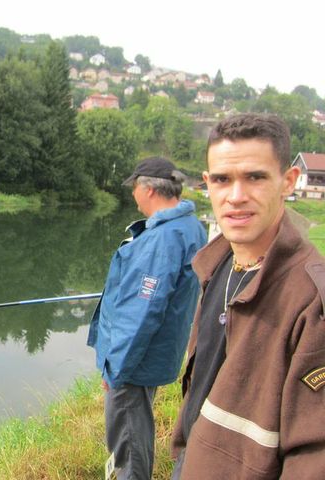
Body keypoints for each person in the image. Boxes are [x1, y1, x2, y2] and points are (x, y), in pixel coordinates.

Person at [171, 113, 325, 479]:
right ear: (207, 183)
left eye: (255, 177)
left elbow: (313, 456)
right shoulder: (216, 263)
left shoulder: (311, 302)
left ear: (288, 181)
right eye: (222, 179)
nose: (236, 197)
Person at [87, 156, 207, 480]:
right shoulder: (190, 226)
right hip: (154, 353)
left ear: (148, 189)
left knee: (127, 439)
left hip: (135, 361)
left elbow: (143, 312)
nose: (133, 194)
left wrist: (116, 366)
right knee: (136, 429)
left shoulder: (162, 239)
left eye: (134, 188)